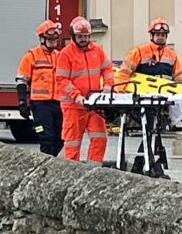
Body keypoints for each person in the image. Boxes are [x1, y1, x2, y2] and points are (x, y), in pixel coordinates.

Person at [115, 18, 182, 176]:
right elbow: (123, 74)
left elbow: (179, 78)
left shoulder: (172, 56)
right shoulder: (139, 52)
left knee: (153, 130)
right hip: (141, 100)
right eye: (158, 34)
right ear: (151, 35)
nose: (161, 37)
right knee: (150, 129)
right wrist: (121, 97)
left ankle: (141, 164)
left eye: (163, 34)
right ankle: (150, 165)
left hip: (162, 101)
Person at [55, 16, 115, 163]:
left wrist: (108, 86)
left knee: (100, 139)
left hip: (94, 105)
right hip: (73, 106)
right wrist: (76, 96)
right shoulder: (66, 54)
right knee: (72, 143)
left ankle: (92, 172)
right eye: (80, 36)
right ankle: (71, 175)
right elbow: (61, 79)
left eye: (86, 36)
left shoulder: (97, 51)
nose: (83, 39)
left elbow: (108, 68)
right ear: (73, 36)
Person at [15, 20, 64, 157]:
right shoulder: (31, 56)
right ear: (42, 39)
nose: (53, 41)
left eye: (55, 38)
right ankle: (46, 165)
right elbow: (21, 80)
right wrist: (22, 102)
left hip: (58, 103)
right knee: (46, 136)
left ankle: (50, 160)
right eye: (50, 39)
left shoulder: (60, 56)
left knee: (61, 137)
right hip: (40, 104)